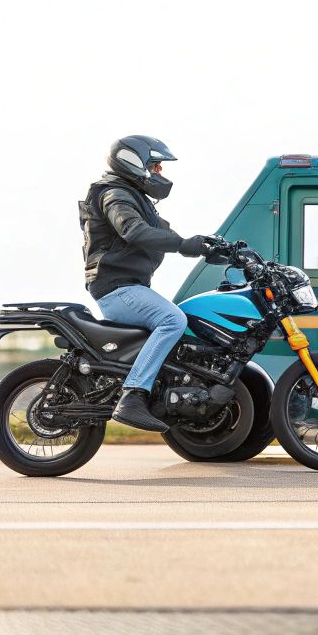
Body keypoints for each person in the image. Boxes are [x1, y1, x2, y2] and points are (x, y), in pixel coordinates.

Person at [79, 135, 221, 432]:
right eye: (154, 166)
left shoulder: (136, 198)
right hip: (116, 286)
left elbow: (164, 233)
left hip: (131, 285)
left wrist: (213, 248)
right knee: (172, 320)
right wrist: (184, 245)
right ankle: (133, 396)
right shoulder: (114, 194)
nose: (158, 172)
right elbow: (134, 230)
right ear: (133, 162)